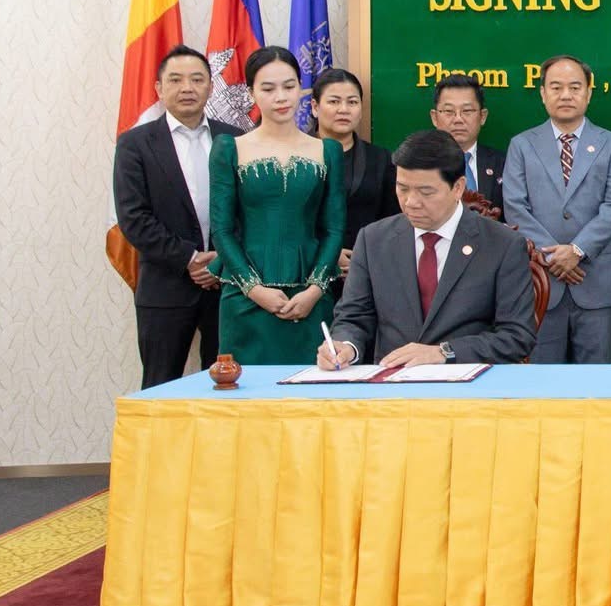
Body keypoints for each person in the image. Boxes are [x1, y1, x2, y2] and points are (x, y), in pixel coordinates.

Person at [316, 130, 538, 369]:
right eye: (403, 188)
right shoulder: (373, 240)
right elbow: (353, 317)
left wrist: (444, 352)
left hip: (467, 384)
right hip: (393, 382)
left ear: (458, 188)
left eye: (426, 192)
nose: (411, 202)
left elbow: (516, 336)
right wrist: (345, 346)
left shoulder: (502, 245)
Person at [112, 45, 241, 386]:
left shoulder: (236, 139)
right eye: (176, 80)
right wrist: (189, 259)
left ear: (210, 87)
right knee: (160, 385)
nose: (187, 88)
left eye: (197, 79)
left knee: (228, 387)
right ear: (159, 88)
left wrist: (222, 262)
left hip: (228, 286)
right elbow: (133, 217)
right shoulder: (135, 143)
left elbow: (249, 210)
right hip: (164, 288)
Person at [209, 46, 345, 362]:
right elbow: (222, 229)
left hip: (310, 296)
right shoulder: (229, 148)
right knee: (244, 388)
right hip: (245, 297)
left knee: (313, 386)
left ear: (301, 88)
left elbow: (334, 228)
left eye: (289, 86)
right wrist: (255, 290)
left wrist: (314, 291)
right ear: (251, 92)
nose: (280, 97)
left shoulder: (327, 150)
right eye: (268, 89)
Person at [502, 54, 611, 362]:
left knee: (596, 379)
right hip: (541, 281)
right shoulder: (522, 144)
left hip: (596, 280)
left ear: (588, 93)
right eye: (556, 87)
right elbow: (515, 207)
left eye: (575, 87)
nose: (566, 95)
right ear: (542, 93)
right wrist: (553, 256)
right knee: (543, 379)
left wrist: (576, 250)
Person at [309, 66, 396, 284]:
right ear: (315, 107)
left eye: (352, 102)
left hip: (366, 272)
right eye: (334, 101)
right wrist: (328, 253)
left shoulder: (381, 159)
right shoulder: (295, 157)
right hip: (307, 272)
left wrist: (364, 258)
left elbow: (392, 221)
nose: (344, 109)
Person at [431, 73, 502, 214]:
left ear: (482, 116)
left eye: (467, 111)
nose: (458, 119)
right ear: (434, 117)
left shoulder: (503, 164)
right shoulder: (419, 164)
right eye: (449, 111)